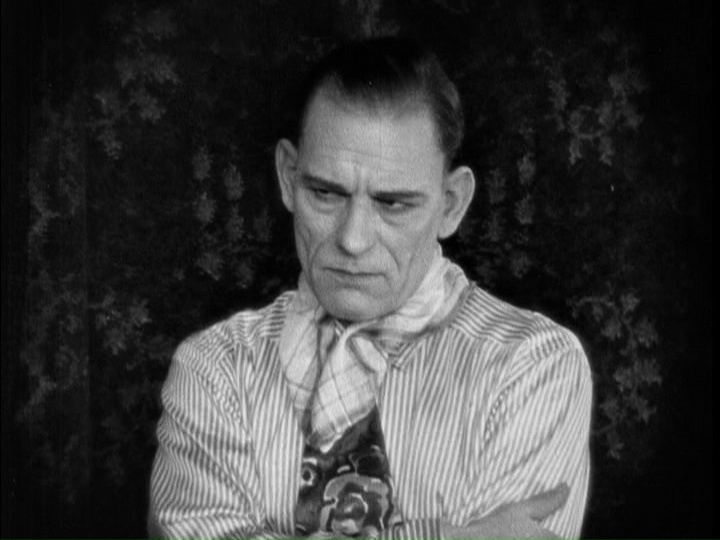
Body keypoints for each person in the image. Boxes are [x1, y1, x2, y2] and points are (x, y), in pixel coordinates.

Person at [149, 37, 592, 540]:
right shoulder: (214, 368)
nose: (353, 240)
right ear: (288, 177)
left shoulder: (533, 365)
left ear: (451, 204)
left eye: (393, 204)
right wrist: (443, 536)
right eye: (326, 193)